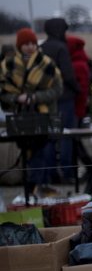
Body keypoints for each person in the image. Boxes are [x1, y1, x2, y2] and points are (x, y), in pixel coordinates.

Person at [0, 28, 63, 198]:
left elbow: (57, 90)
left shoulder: (47, 64)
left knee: (41, 152)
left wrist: (35, 97)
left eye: (32, 43)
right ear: (19, 45)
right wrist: (17, 98)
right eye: (26, 44)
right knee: (26, 154)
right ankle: (32, 190)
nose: (30, 47)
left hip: (44, 116)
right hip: (20, 118)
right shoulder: (8, 64)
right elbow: (3, 92)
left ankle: (35, 188)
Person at [41, 17, 78, 182]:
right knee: (65, 136)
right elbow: (68, 75)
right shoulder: (61, 48)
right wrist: (78, 89)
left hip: (45, 100)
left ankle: (50, 173)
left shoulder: (40, 48)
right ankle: (67, 173)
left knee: (49, 137)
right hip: (64, 98)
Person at [67, 35, 91, 125]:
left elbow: (82, 88)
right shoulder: (80, 62)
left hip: (76, 107)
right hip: (77, 106)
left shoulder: (77, 65)